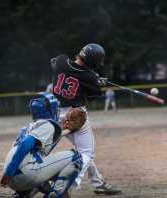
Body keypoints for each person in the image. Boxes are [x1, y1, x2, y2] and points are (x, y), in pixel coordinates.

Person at [50, 43, 121, 195]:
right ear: (93, 62)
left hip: (54, 114)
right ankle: (67, 183)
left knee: (83, 152)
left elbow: (56, 63)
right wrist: (97, 81)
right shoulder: (89, 76)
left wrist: (92, 79)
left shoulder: (62, 61)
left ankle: (98, 183)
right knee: (87, 153)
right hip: (76, 116)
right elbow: (94, 95)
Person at [0, 93, 86, 198]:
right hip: (20, 174)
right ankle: (55, 195)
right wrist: (9, 172)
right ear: (50, 110)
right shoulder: (47, 125)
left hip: (15, 179)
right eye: (55, 108)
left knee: (40, 161)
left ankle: (23, 194)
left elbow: (51, 139)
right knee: (76, 158)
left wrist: (69, 129)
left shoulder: (29, 127)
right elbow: (26, 144)